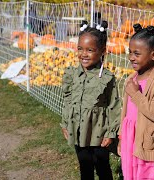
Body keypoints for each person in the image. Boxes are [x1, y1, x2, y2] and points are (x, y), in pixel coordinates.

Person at [61, 20, 120, 180]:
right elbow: (67, 101)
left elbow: (113, 106)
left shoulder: (107, 78)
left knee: (102, 166)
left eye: (90, 50)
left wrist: (111, 132)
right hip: (79, 129)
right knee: (85, 166)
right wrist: (66, 123)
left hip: (99, 131)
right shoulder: (72, 74)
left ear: (102, 51)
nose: (83, 54)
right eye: (80, 49)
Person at [117, 24, 154, 180]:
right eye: (130, 52)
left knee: (147, 175)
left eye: (137, 54)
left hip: (147, 140)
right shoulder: (131, 79)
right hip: (130, 137)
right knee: (130, 174)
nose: (131, 57)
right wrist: (121, 137)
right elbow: (125, 112)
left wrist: (135, 94)